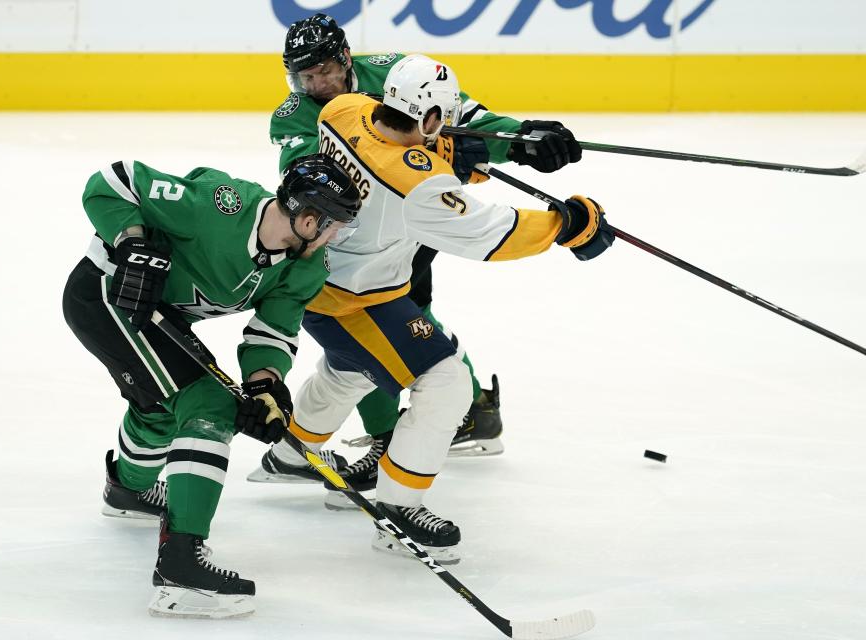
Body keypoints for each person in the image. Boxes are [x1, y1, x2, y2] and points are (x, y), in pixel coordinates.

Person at [259, 54, 614, 563]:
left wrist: (476, 148)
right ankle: (398, 511)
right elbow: (493, 232)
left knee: (351, 368)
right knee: (447, 382)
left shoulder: (342, 111)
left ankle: (294, 452)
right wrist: (570, 224)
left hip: (324, 282)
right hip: (352, 300)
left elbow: (411, 148)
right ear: (428, 117)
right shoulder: (417, 184)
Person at [62, 154, 362, 618]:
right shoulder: (220, 205)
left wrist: (266, 387)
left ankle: (127, 489)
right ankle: (180, 567)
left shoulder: (306, 265)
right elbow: (112, 180)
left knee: (162, 410)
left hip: (161, 317)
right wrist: (131, 243)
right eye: (334, 225)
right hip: (107, 293)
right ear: (308, 218)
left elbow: (272, 331)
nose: (337, 236)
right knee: (209, 405)